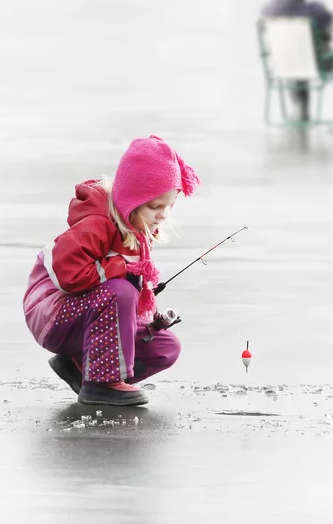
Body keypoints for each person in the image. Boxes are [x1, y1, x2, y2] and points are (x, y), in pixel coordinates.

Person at [22, 135, 201, 406]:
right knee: (120, 291)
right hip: (53, 314)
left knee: (165, 348)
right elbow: (67, 275)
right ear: (133, 199)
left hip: (90, 314)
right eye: (155, 206)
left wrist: (151, 322)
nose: (162, 215)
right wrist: (123, 269)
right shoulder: (97, 223)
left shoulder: (138, 232)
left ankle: (80, 367)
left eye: (168, 206)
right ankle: (101, 385)